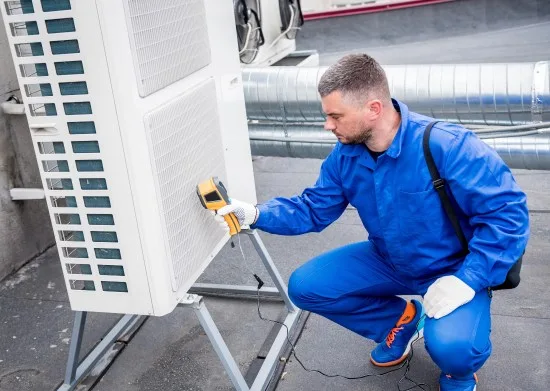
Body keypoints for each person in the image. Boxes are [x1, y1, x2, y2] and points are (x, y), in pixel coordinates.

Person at [214, 54, 529, 391]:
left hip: (452, 269)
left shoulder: (448, 146)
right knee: (306, 286)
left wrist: (468, 280)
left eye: (335, 116)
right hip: (389, 259)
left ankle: (459, 376)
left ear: (374, 110)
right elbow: (313, 208)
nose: (328, 125)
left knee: (454, 348)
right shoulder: (346, 155)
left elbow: (507, 216)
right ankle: (400, 321)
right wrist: (256, 214)